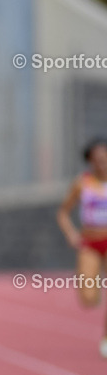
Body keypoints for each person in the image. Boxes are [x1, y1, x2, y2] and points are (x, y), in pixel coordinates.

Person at [57, 136, 107, 357]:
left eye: (105, 159)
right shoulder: (82, 183)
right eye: (97, 159)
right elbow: (63, 213)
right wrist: (70, 233)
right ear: (89, 161)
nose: (102, 163)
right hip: (90, 242)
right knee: (88, 297)